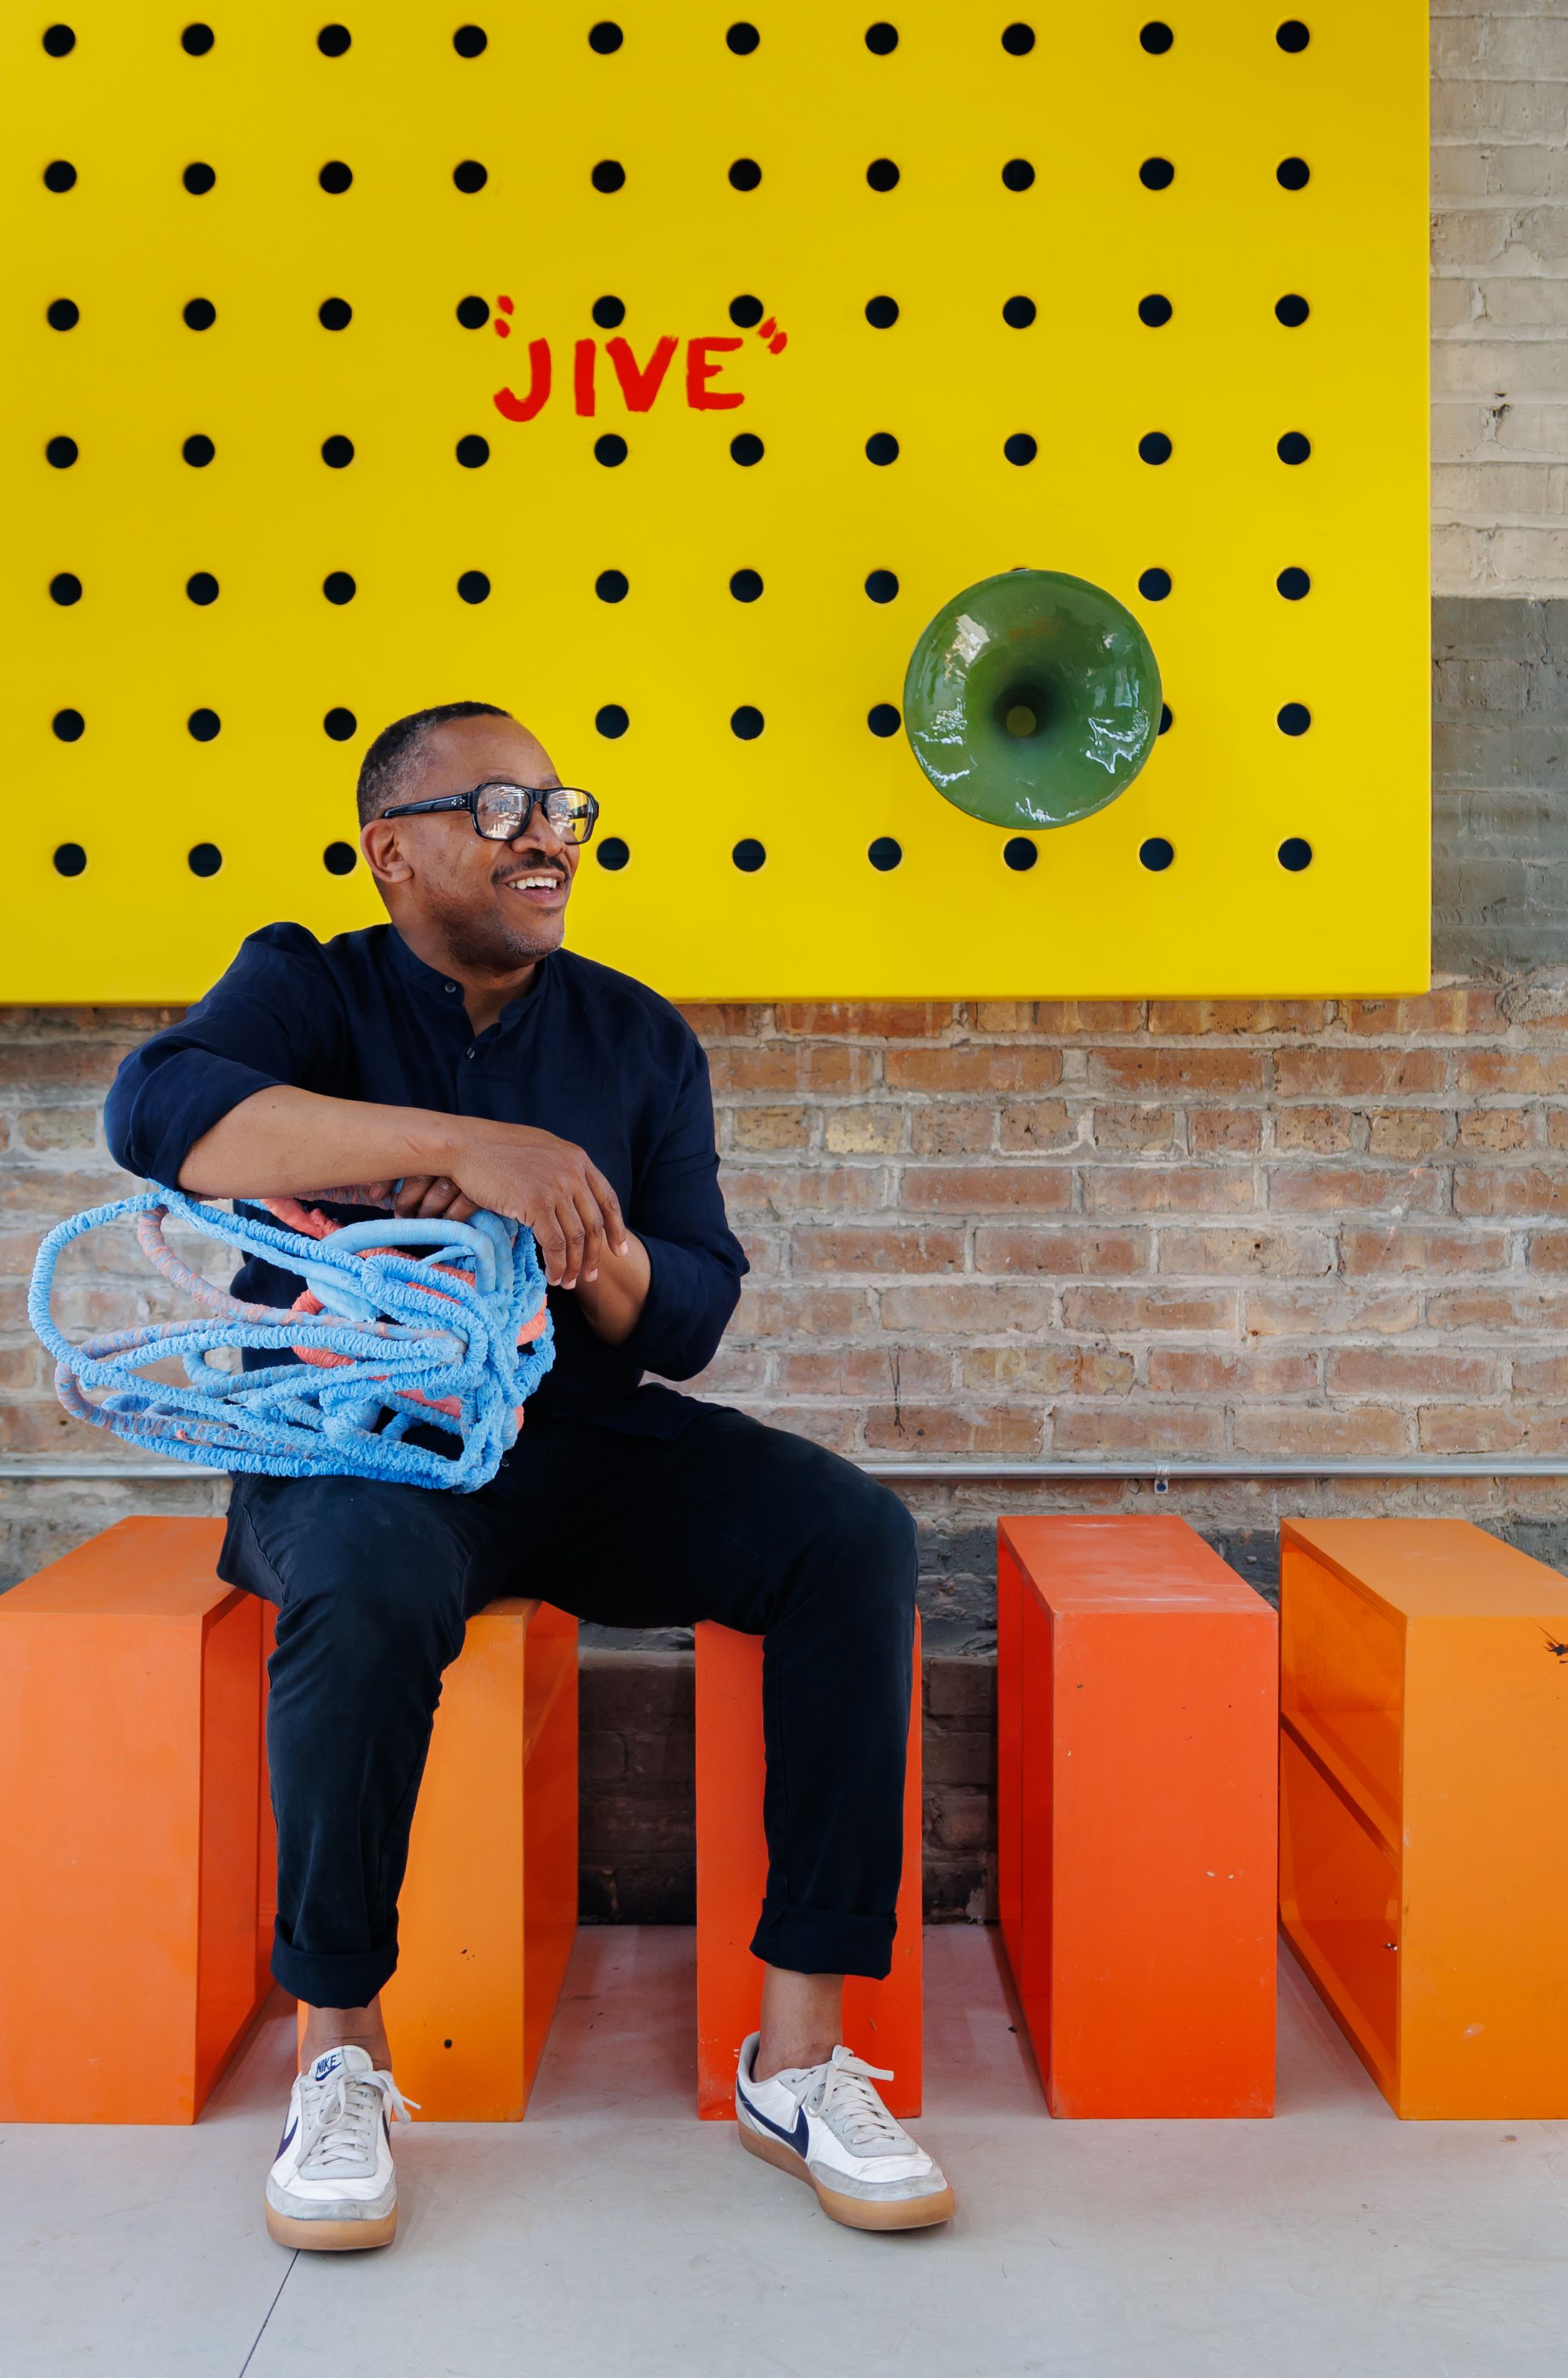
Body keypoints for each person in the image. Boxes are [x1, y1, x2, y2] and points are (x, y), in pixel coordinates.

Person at [104, 701, 954, 2250]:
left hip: (574, 1437)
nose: (549, 832)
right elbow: (157, 1116)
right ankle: (341, 2057)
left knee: (847, 1539)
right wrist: (468, 1147)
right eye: (499, 806)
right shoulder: (304, 982)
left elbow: (691, 1311)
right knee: (359, 1589)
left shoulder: (635, 1035)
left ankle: (800, 2056)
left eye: (561, 804)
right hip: (361, 1442)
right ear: (393, 852)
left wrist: (601, 1243)